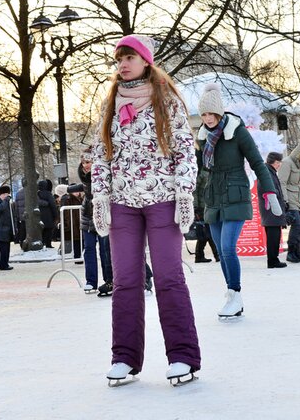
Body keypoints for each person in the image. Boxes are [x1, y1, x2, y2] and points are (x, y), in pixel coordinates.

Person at [91, 34, 200, 386]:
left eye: (129, 58)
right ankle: (124, 358)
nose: (123, 64)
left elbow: (185, 150)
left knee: (169, 278)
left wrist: (184, 193)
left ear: (145, 61)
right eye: (119, 59)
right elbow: (100, 156)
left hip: (163, 200)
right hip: (123, 204)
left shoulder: (166, 101)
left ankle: (182, 356)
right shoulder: (110, 103)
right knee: (125, 281)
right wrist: (100, 198)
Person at [197, 82, 282, 317]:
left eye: (211, 113)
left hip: (235, 194)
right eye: (203, 114)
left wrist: (270, 193)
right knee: (220, 249)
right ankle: (232, 295)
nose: (208, 118)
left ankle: (235, 293)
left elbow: (257, 163)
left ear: (219, 112)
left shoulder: (237, 131)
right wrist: (193, 203)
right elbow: (199, 172)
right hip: (213, 197)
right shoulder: (203, 136)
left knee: (227, 247)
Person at [79, 149, 114, 294]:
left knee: (106, 250)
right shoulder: (85, 177)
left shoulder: (102, 174)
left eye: (88, 162)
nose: (86, 166)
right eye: (83, 163)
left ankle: (109, 280)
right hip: (88, 214)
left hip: (101, 214)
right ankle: (91, 281)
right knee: (89, 249)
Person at [258, 152, 288, 268]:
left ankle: (274, 259)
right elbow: (268, 191)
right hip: (270, 209)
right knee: (273, 237)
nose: (280, 164)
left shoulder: (269, 172)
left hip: (272, 209)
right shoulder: (267, 173)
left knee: (274, 235)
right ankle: (272, 261)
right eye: (279, 162)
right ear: (275, 162)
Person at [192, 146, 219, 264]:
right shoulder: (202, 173)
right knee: (206, 231)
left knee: (207, 231)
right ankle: (215, 255)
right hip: (202, 207)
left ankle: (200, 255)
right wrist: (196, 208)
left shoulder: (211, 172)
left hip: (210, 205)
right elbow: (195, 191)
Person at [0, 185, 15, 271]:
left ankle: (6, 263)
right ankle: (3, 265)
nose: (6, 196)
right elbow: (0, 209)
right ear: (0, 195)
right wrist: (6, 200)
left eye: (7, 194)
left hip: (8, 229)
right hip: (0, 230)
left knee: (7, 248)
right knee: (3, 249)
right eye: (5, 194)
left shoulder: (8, 204)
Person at [37, 179, 58, 249]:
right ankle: (48, 244)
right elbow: (53, 205)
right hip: (48, 215)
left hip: (40, 215)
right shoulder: (48, 194)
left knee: (42, 230)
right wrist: (56, 215)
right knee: (49, 230)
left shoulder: (37, 193)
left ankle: (42, 243)